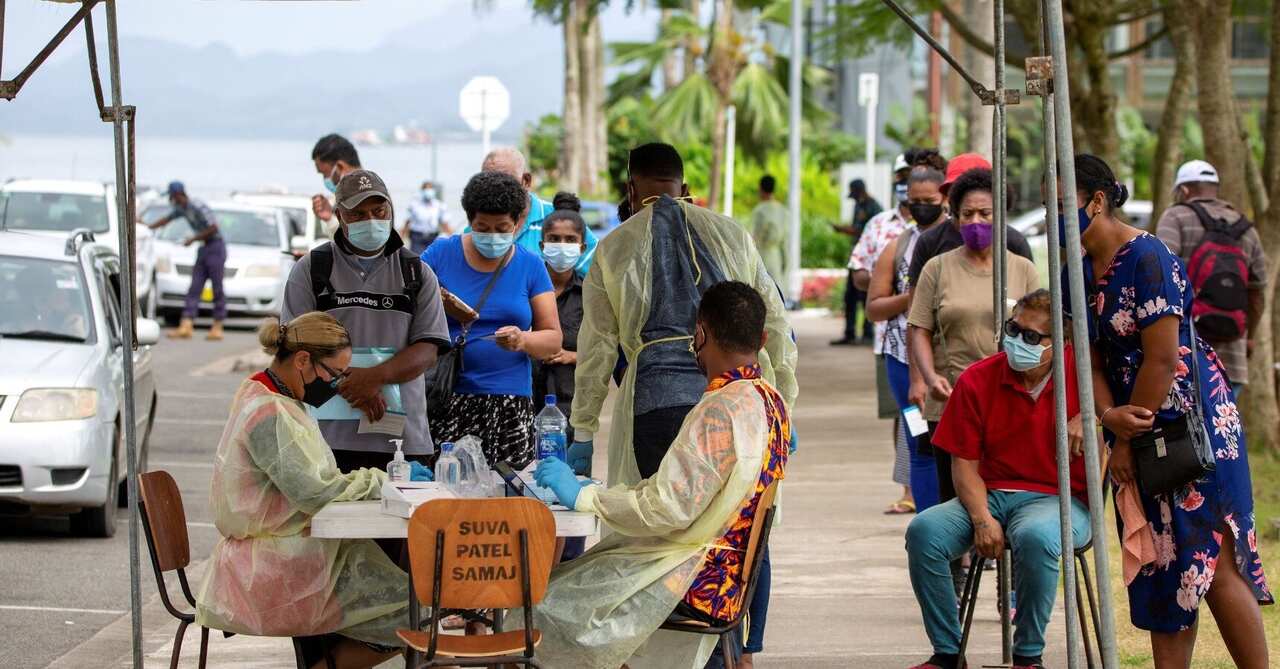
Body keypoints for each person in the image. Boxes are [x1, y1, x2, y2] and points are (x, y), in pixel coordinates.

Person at [1065, 154, 1271, 668]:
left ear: (1096, 201)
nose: (1052, 214)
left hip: (1188, 424)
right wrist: (1108, 416)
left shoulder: (1149, 258)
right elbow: (1088, 357)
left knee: (1215, 560)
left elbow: (1163, 357)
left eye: (1061, 203)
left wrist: (1127, 438)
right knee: (1160, 567)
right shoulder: (1074, 270)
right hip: (1130, 420)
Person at [530, 281, 790, 669]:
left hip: (698, 579)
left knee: (545, 600)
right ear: (764, 338)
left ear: (700, 333)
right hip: (729, 573)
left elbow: (667, 508)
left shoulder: (719, 410)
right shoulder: (771, 399)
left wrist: (587, 498)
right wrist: (611, 493)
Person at [196, 313, 433, 669]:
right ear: (303, 359)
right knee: (412, 614)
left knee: (405, 606)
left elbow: (313, 482)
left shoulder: (274, 395)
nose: (336, 385)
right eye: (333, 374)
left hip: (284, 547)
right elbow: (314, 491)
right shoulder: (270, 412)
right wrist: (380, 479)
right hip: (271, 561)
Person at [570, 142, 798, 488]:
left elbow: (597, 346)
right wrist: (783, 403)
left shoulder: (614, 246)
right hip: (737, 401)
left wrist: (584, 430)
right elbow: (776, 324)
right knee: (737, 515)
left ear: (630, 190)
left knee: (661, 522)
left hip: (655, 401)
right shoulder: (732, 235)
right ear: (686, 189)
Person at [905, 290, 1090, 669]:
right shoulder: (978, 379)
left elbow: (1118, 415)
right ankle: (947, 654)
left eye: (1032, 337)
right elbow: (964, 464)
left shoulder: (1086, 379)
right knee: (924, 531)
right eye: (1014, 329)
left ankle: (1028, 656)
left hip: (1060, 500)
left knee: (1035, 536)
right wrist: (981, 518)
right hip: (989, 494)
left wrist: (1093, 417)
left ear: (1061, 343)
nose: (1018, 341)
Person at [281, 169, 451, 473]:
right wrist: (352, 383)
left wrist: (375, 378)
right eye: (357, 213)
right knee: (329, 521)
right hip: (324, 440)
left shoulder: (416, 272)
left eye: (378, 210)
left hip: (403, 443)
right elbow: (294, 350)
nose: (370, 220)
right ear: (340, 216)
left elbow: (428, 349)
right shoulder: (312, 269)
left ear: (391, 209)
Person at [906, 167, 1040, 507]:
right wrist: (928, 376)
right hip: (951, 402)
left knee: (1004, 499)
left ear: (1001, 216)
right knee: (952, 502)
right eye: (967, 214)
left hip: (1009, 405)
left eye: (985, 213)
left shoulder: (1021, 269)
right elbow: (919, 328)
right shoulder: (937, 269)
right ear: (954, 217)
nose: (976, 221)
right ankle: (958, 561)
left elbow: (1044, 335)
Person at [421, 170, 562, 468]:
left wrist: (522, 339)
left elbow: (552, 338)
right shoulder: (441, 254)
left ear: (518, 224)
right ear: (469, 220)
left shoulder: (530, 265)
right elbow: (410, 308)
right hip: (447, 397)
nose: (493, 236)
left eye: (503, 228)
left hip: (510, 402)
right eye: (482, 227)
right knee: (448, 493)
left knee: (509, 497)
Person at [867, 165, 948, 513]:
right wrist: (912, 298)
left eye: (928, 200)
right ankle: (930, 524)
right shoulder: (899, 246)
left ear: (944, 197)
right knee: (921, 441)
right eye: (914, 201)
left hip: (949, 359)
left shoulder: (955, 239)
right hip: (903, 359)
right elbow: (874, 307)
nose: (921, 207)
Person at [1155, 159, 1268, 399]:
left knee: (1185, 434)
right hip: (1232, 360)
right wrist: (1250, 337)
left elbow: (1160, 272)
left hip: (1183, 353)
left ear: (1184, 190)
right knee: (1222, 431)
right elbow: (1258, 292)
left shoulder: (1175, 216)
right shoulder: (1247, 229)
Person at [849, 169, 914, 514]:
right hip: (893, 345)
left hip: (936, 348)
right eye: (903, 182)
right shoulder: (880, 227)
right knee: (904, 417)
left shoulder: (945, 234)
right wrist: (884, 282)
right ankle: (910, 489)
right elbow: (858, 270)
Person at [906, 153, 1035, 289]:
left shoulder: (1013, 242)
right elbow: (917, 302)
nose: (966, 197)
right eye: (957, 190)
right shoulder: (929, 241)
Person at [480, 147, 599, 277]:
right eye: (487, 183)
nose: (494, 190)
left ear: (526, 181)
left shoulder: (560, 220)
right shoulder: (478, 228)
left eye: (505, 181)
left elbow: (600, 279)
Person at [146, 181, 226, 341]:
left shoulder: (197, 205)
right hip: (203, 248)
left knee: (217, 287)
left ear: (177, 194)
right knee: (195, 286)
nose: (170, 199)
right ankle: (186, 325)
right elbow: (166, 220)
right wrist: (147, 226)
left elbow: (213, 228)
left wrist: (193, 239)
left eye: (171, 196)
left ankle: (218, 325)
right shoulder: (182, 209)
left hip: (215, 247)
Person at [831, 178, 882, 346]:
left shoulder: (873, 207)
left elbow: (864, 231)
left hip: (869, 260)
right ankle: (850, 333)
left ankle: (868, 333)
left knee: (866, 295)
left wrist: (843, 230)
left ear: (860, 191)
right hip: (857, 257)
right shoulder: (858, 205)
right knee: (850, 297)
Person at [311, 134, 362, 236]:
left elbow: (360, 241)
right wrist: (328, 216)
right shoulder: (344, 195)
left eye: (325, 173)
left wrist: (330, 220)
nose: (325, 179)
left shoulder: (366, 195)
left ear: (340, 166)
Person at [749, 174, 788, 291]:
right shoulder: (783, 210)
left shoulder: (760, 210)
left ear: (760, 189)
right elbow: (785, 239)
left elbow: (753, 237)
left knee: (762, 291)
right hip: (777, 256)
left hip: (762, 255)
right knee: (776, 291)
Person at [401, 180, 450, 254]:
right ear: (422, 191)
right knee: (417, 260)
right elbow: (407, 222)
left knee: (432, 262)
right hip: (417, 238)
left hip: (433, 238)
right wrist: (401, 238)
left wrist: (452, 238)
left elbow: (445, 224)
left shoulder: (439, 206)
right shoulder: (414, 205)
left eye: (430, 188)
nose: (428, 191)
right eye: (425, 189)